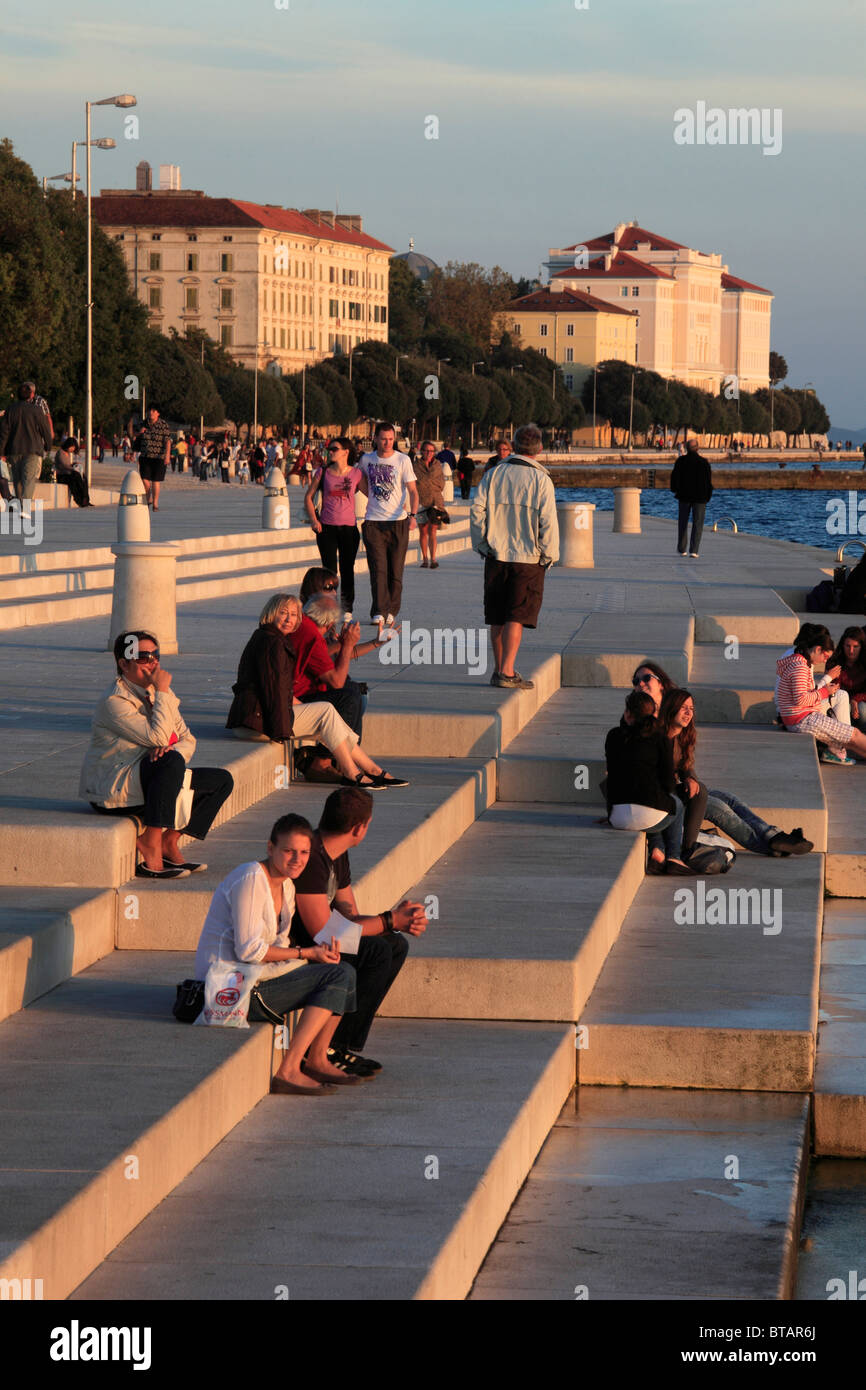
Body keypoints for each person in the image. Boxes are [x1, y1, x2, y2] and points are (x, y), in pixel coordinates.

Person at [194, 813, 359, 1095]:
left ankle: (317, 1058)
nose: (297, 859)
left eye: (304, 852)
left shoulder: (287, 886)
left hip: (256, 979)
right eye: (289, 851)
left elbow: (279, 947)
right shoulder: (250, 877)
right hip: (229, 988)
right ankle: (289, 1070)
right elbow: (249, 950)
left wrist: (311, 957)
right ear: (270, 848)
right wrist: (306, 953)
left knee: (342, 968)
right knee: (335, 973)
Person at [292, 787, 428, 1076]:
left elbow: (349, 915)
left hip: (321, 934)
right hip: (299, 941)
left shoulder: (336, 853)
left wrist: (396, 921)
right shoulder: (312, 857)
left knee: (393, 944)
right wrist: (390, 920)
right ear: (359, 828)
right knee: (376, 950)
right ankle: (327, 1047)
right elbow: (323, 931)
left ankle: (340, 1044)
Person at [80, 630, 234, 878]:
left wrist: (167, 748)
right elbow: (160, 737)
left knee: (221, 781)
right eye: (143, 657)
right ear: (123, 663)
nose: (153, 662)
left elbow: (188, 739)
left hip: (150, 781)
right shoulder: (115, 701)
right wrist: (162, 694)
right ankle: (150, 842)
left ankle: (167, 841)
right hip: (115, 791)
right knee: (169, 760)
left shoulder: (159, 693)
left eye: (155, 655)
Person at [227, 593, 408, 788]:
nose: (289, 619)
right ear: (271, 613)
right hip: (258, 724)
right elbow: (275, 692)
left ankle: (370, 769)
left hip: (259, 717)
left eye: (294, 615)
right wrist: (283, 729)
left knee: (329, 713)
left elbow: (279, 690)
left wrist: (370, 643)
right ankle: (352, 772)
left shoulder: (272, 637)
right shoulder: (273, 643)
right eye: (283, 613)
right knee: (327, 711)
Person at [659, 687, 812, 858]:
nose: (688, 713)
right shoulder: (660, 738)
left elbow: (686, 767)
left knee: (728, 798)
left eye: (691, 709)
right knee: (718, 807)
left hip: (681, 793)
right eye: (683, 708)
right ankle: (768, 846)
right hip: (669, 801)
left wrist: (690, 778)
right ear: (671, 707)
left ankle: (772, 835)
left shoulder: (681, 738)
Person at [470, 422, 559, 690]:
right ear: (540, 449)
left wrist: (481, 545)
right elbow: (548, 522)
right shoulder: (541, 480)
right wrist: (549, 555)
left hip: (496, 555)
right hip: (528, 558)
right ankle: (507, 672)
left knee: (497, 615)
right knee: (516, 615)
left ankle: (499, 669)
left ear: (516, 446)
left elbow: (477, 512)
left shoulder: (494, 474)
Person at [604, 689, 692, 875]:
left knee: (653, 802)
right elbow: (668, 782)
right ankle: (674, 857)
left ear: (628, 714)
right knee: (675, 803)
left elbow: (611, 775)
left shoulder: (613, 736)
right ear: (654, 714)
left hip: (617, 816)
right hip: (651, 814)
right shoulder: (661, 739)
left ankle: (657, 851)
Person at [775, 622, 866, 765]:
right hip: (802, 719)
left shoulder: (799, 661)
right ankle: (837, 752)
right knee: (854, 734)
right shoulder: (800, 666)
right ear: (817, 649)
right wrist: (825, 691)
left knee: (853, 737)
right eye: (825, 656)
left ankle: (838, 751)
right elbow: (801, 699)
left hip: (800, 716)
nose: (825, 661)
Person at [357, 423, 419, 625]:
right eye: (383, 438)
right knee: (378, 569)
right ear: (375, 438)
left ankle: (392, 609)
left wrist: (413, 515)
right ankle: (378, 611)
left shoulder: (403, 460)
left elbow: (413, 491)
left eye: (391, 439)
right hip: (374, 522)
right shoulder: (367, 460)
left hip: (398, 522)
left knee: (395, 570)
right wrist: (373, 497)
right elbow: (359, 481)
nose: (387, 442)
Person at [304, 438, 363, 611]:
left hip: (349, 529)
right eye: (329, 449)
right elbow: (308, 497)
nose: (330, 452)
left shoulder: (356, 474)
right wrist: (314, 521)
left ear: (346, 452)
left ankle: (347, 610)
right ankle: (329, 608)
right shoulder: (323, 472)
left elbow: (372, 495)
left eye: (334, 449)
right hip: (326, 528)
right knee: (328, 572)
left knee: (347, 570)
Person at [0, 381, 53, 501]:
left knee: (17, 480)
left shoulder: (10, 410)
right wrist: (48, 445)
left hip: (13, 449)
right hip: (32, 449)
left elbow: (4, 432)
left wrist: (1, 451)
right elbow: (45, 429)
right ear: (31, 395)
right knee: (28, 479)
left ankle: (21, 506)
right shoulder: (37, 410)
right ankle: (25, 507)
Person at [670, 438, 713, 557]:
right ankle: (694, 550)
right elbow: (708, 482)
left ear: (687, 449)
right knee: (698, 523)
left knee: (682, 522)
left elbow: (674, 478)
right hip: (700, 497)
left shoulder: (680, 461)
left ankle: (682, 548)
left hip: (684, 496)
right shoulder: (704, 463)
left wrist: (675, 490)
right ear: (697, 448)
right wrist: (708, 496)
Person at [413, 440, 446, 568]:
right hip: (421, 502)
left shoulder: (438, 465)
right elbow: (413, 483)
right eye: (426, 450)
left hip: (436, 502)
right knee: (423, 531)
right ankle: (425, 559)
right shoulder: (415, 466)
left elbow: (442, 483)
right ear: (422, 451)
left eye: (431, 451)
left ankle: (433, 559)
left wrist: (429, 484)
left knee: (433, 530)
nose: (428, 453)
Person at [830, 627, 866, 730]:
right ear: (842, 645)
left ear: (862, 647)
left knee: (863, 710)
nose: (851, 651)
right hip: (841, 700)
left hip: (862, 701)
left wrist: (855, 699)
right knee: (844, 708)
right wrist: (850, 701)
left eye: (855, 647)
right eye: (848, 646)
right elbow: (833, 688)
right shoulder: (835, 662)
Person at [137, 405, 172, 510]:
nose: (151, 413)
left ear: (158, 413)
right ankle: (149, 499)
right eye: (150, 411)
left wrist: (167, 456)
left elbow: (168, 441)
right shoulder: (143, 423)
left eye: (154, 411)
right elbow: (136, 438)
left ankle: (155, 503)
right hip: (145, 456)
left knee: (155, 481)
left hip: (159, 457)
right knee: (145, 480)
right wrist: (140, 433)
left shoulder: (163, 425)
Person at [53, 436, 92, 508]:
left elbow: (67, 465)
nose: (73, 449)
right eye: (72, 447)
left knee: (83, 477)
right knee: (76, 477)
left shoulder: (66, 453)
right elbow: (64, 465)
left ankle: (85, 499)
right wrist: (73, 468)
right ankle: (81, 499)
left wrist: (73, 464)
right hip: (62, 476)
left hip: (68, 474)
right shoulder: (60, 453)